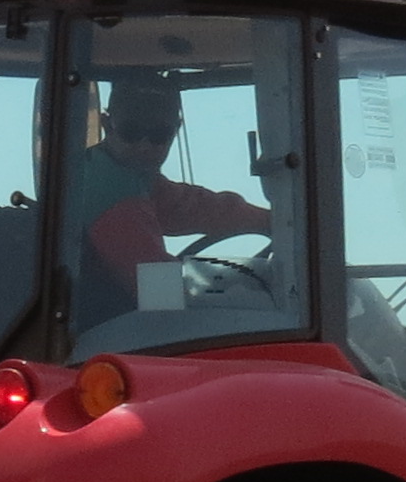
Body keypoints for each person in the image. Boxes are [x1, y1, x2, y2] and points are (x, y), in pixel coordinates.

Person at [70, 78, 274, 315]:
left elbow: (194, 207)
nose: (144, 146)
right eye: (131, 131)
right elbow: (159, 294)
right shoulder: (110, 193)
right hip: (100, 328)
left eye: (159, 134)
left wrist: (274, 220)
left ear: (175, 131)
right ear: (107, 125)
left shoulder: (122, 172)